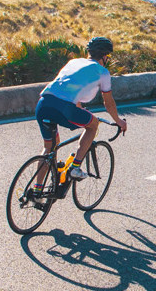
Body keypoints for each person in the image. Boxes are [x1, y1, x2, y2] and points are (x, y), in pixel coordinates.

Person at [34, 36, 127, 184]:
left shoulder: (73, 62)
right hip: (63, 107)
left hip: (43, 103)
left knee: (49, 149)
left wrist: (79, 109)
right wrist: (119, 121)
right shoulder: (102, 72)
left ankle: (37, 190)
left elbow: (67, 90)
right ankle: (75, 167)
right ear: (105, 56)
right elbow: (108, 103)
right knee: (93, 125)